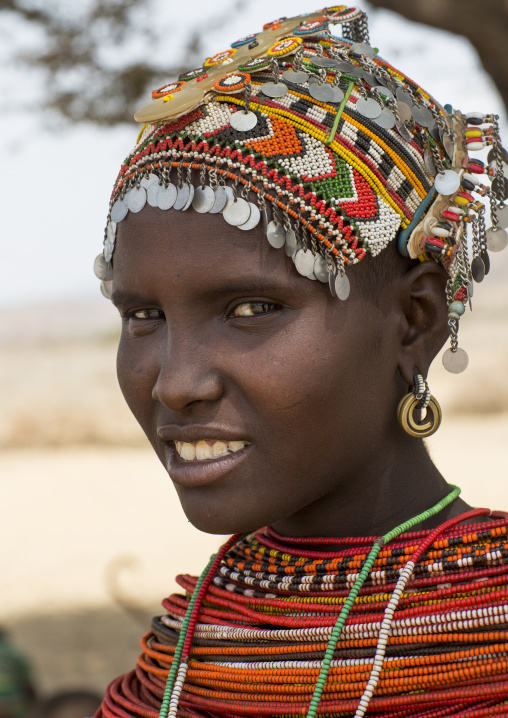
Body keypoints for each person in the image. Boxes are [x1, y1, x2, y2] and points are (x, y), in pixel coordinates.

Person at [92, 7, 508, 717]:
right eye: (143, 316)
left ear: (416, 321)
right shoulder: (182, 653)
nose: (175, 382)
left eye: (250, 310)